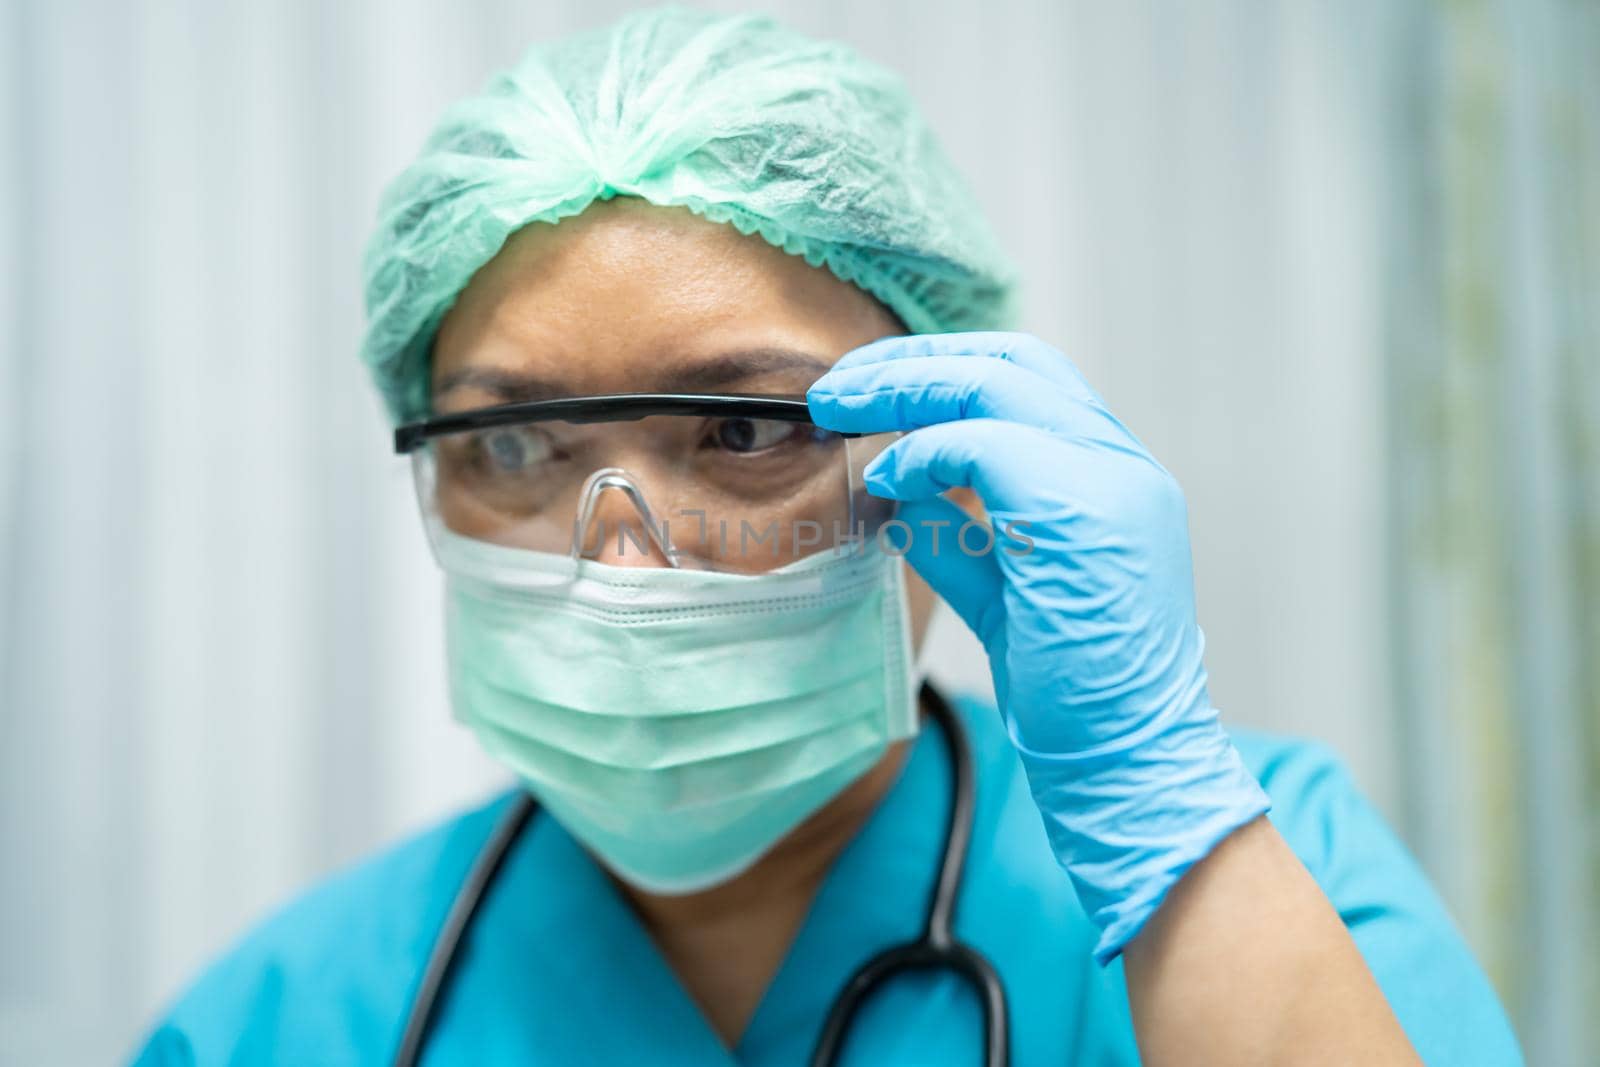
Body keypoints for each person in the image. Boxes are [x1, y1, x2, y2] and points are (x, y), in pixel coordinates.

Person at [131, 8, 1522, 1065]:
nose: (625, 560)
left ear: (949, 445)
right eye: (510, 446)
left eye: (743, 432)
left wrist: (1172, 834)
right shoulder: (290, 1016)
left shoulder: (1265, 885)